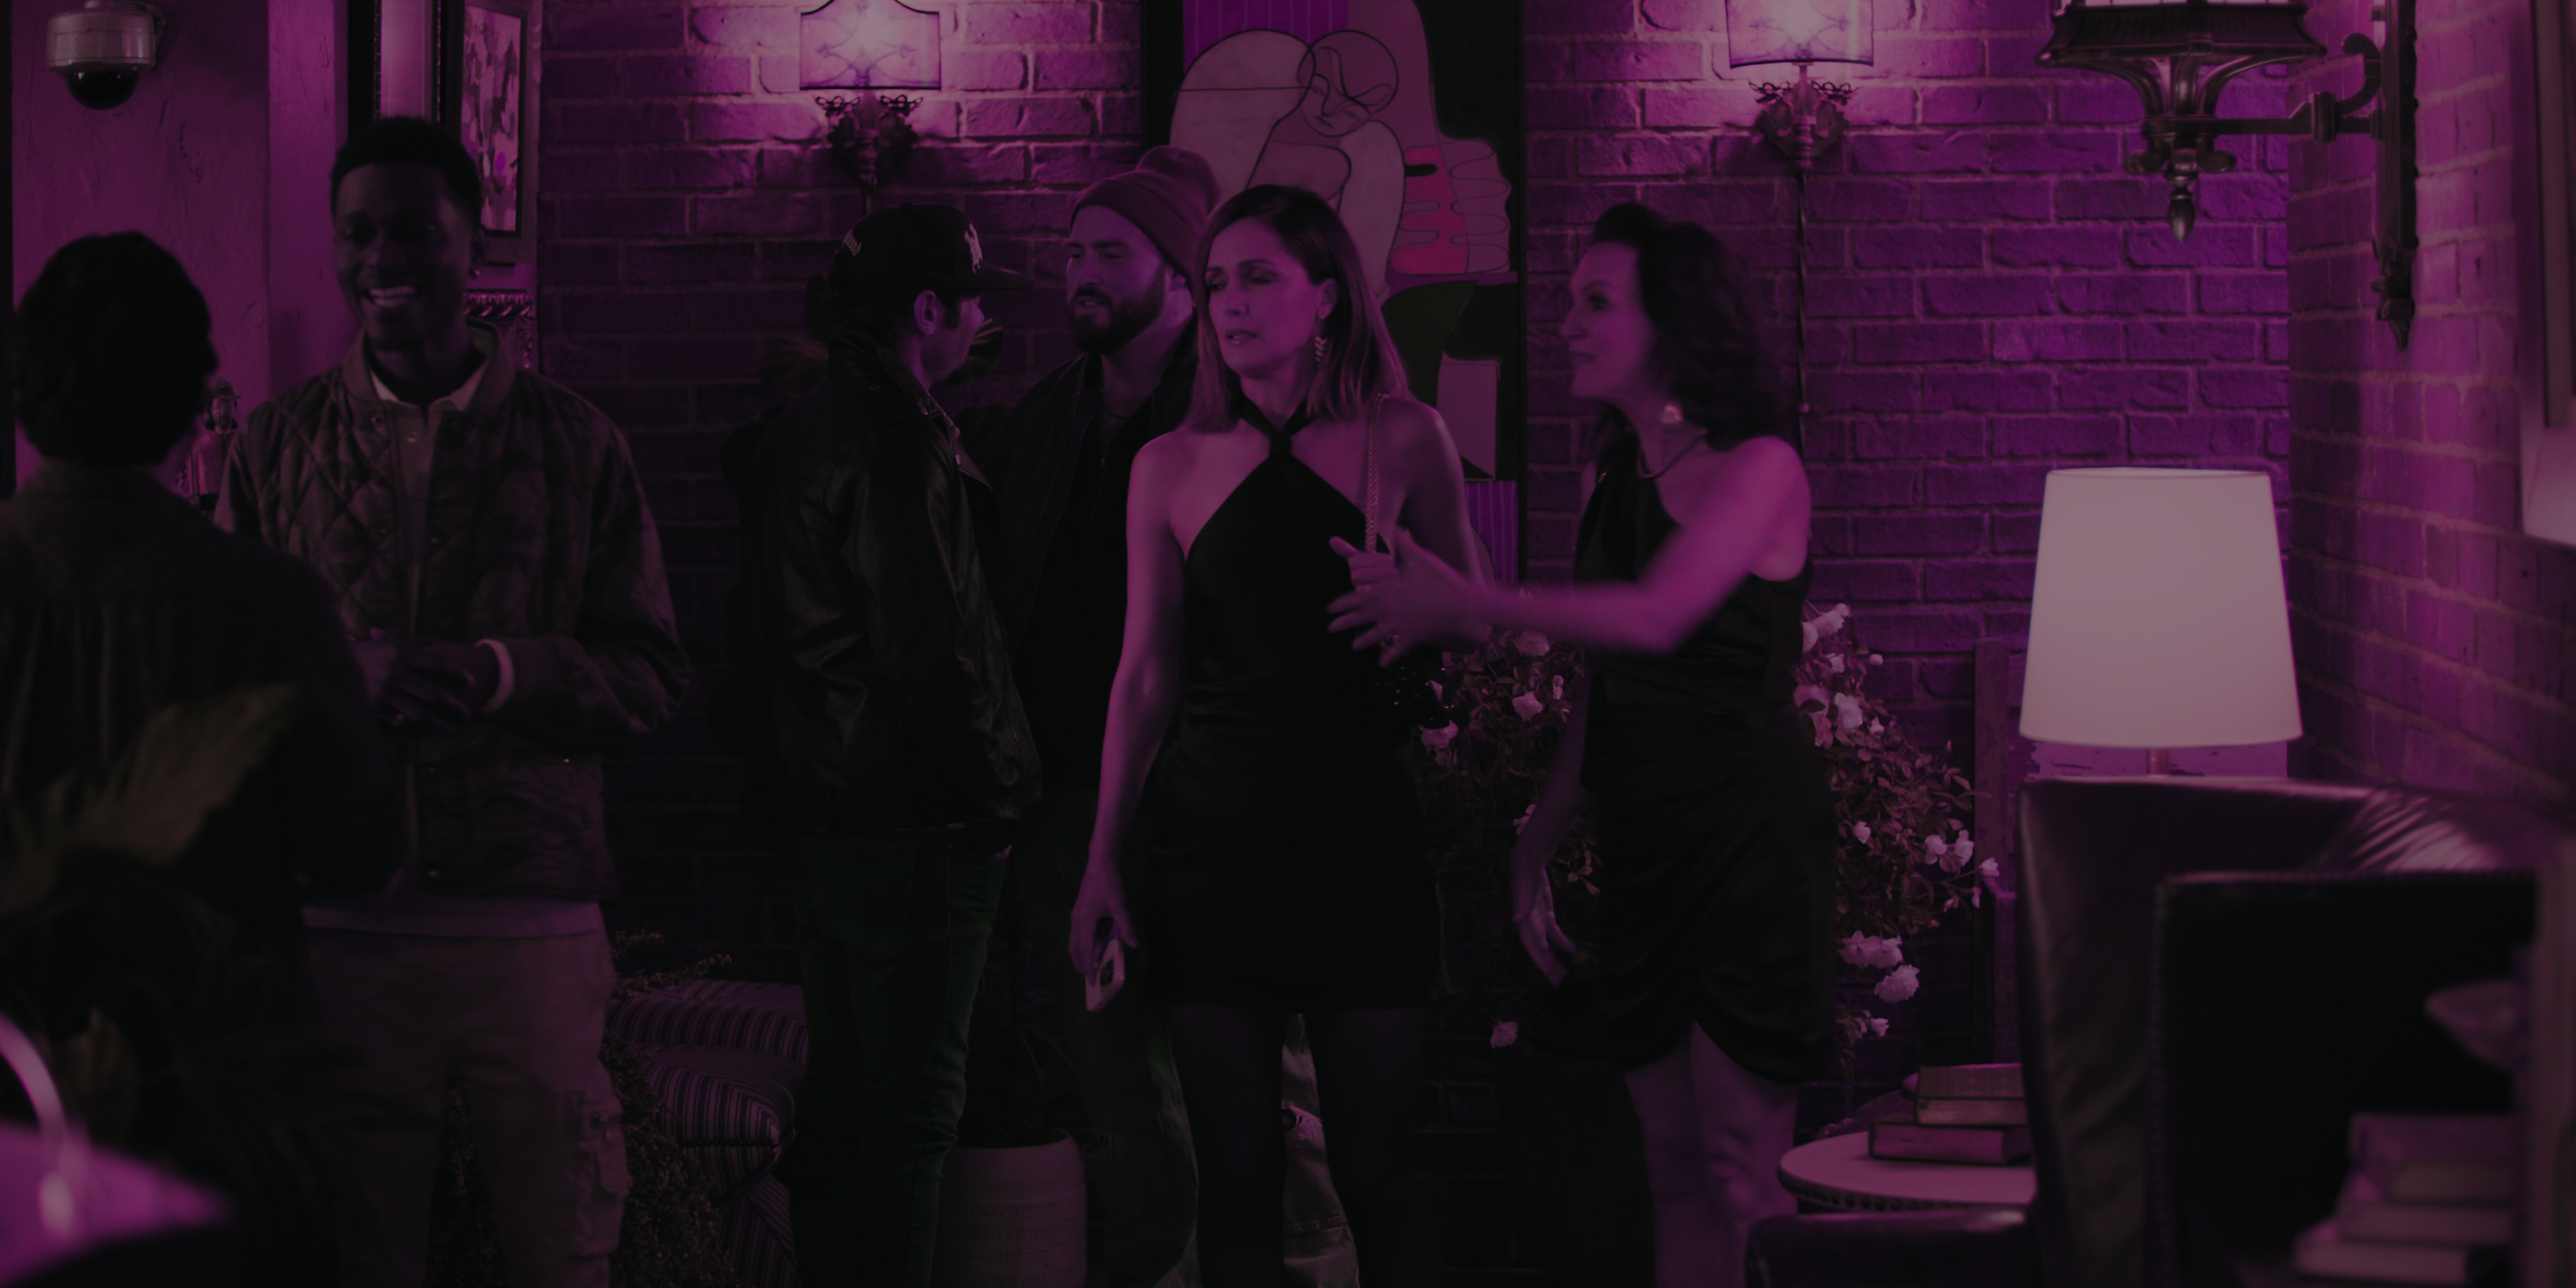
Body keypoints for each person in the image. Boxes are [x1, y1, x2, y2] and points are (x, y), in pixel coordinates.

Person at [1325, 203, 1835, 1288]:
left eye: (1595, 301)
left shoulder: (1759, 465)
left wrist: (1472, 601)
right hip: (1647, 845)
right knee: (1673, 1172)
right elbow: (1612, 682)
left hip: (1747, 846)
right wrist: (1536, 842)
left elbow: (1659, 616)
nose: (1565, 323)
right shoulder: (1615, 479)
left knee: (1743, 1170)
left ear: (1675, 321)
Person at [218, 116, 688, 1288]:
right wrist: (339, 676)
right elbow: (222, 692)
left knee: (563, 1251)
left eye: (414, 230)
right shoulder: (273, 446)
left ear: (473, 242)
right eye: (358, 233)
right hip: (341, 930)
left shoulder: (577, 443)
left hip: (530, 929)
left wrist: (499, 671)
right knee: (355, 1257)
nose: (384, 258)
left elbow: (651, 677)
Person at [1069, 184, 1484, 1288]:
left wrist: (1417, 600)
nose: (1231, 304)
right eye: (1216, 284)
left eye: (1258, 277)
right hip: (1215, 844)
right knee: (1238, 1174)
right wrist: (1103, 858)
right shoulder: (1170, 462)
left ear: (1329, 296)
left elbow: (1478, 621)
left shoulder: (1406, 436)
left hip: (1361, 833)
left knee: (1380, 1169)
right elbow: (1144, 674)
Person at [1, 231, 401, 1284]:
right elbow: (359, 854)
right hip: (221, 1115)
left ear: (26, 395)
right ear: (193, 406)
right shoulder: (268, 604)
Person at [722, 201, 1039, 1287]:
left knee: (851, 1101)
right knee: (911, 1113)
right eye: (973, 301)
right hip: (914, 822)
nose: (983, 322)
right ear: (928, 310)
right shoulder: (898, 438)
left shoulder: (799, 430)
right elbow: (931, 645)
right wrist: (991, 801)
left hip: (824, 814)